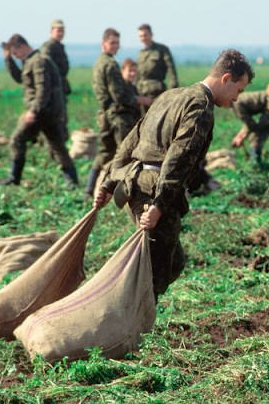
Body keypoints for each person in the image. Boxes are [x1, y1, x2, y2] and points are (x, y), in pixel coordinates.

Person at [94, 49, 253, 300]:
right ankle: (127, 323)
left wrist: (110, 181)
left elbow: (131, 140)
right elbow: (178, 160)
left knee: (174, 261)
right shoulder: (200, 107)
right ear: (226, 79)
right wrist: (158, 205)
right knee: (154, 273)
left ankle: (130, 312)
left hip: (134, 183)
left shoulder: (170, 95)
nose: (237, 98)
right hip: (153, 189)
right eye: (238, 90)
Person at [0, 34, 78, 186]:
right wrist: (8, 59)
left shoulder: (38, 61)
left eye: (15, 53)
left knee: (17, 140)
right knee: (57, 146)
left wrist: (33, 111)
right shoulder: (30, 61)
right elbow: (20, 78)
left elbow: (43, 90)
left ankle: (14, 178)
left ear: (22, 47)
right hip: (47, 112)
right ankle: (72, 182)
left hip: (43, 113)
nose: (16, 57)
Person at [84, 28, 151, 196]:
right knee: (126, 153)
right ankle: (123, 192)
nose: (116, 46)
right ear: (103, 43)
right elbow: (119, 95)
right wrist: (138, 100)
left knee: (104, 153)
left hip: (105, 114)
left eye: (117, 43)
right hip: (117, 116)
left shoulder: (99, 62)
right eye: (112, 43)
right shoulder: (110, 64)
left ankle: (89, 189)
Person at [231, 83, 269, 164]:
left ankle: (255, 162)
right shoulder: (239, 100)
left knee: (259, 132)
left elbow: (251, 125)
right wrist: (241, 135)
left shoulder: (236, 104)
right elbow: (249, 123)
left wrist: (241, 136)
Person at [135, 24, 179, 102]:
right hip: (141, 93)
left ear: (151, 35)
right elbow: (137, 75)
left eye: (145, 35)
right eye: (140, 36)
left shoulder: (161, 50)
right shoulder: (141, 53)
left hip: (156, 93)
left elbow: (171, 70)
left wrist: (173, 91)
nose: (143, 38)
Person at [41, 19, 71, 114]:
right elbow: (45, 67)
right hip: (52, 89)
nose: (61, 33)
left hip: (59, 87)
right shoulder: (49, 47)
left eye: (62, 31)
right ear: (51, 31)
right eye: (58, 30)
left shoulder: (59, 46)